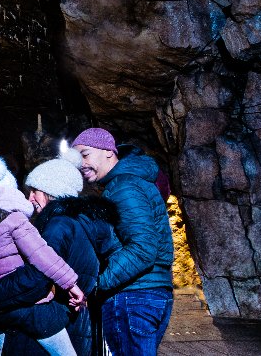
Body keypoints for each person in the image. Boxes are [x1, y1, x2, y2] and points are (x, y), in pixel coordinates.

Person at [0, 155, 85, 356]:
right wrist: (71, 284)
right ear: (8, 189)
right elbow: (42, 255)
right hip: (30, 306)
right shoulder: (13, 219)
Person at [3, 151, 119, 356]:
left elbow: (38, 277)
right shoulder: (81, 224)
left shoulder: (58, 226)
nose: (30, 198)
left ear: (51, 191)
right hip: (75, 323)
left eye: (35, 191)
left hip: (54, 323)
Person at [73, 128, 175, 356]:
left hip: (133, 295)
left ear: (109, 151)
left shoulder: (123, 187)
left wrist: (97, 283)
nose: (81, 164)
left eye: (85, 154)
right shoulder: (132, 182)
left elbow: (142, 248)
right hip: (150, 292)